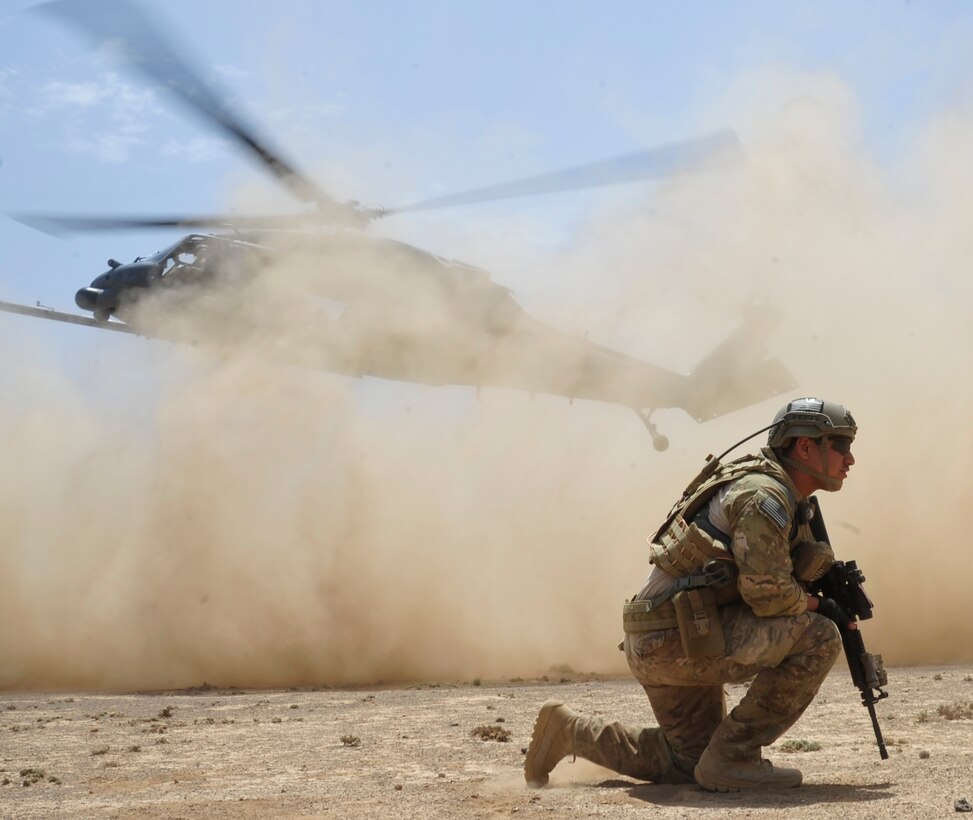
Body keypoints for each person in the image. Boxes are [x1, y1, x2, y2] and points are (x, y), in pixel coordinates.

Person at [525, 397, 858, 792]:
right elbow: (767, 595)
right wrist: (823, 606)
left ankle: (568, 732)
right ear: (805, 446)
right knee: (819, 636)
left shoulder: (777, 494)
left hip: (668, 634)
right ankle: (735, 755)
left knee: (691, 763)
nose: (849, 459)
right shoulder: (763, 497)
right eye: (840, 445)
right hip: (675, 639)